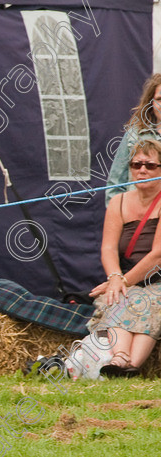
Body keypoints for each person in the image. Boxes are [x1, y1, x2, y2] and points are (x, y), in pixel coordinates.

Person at [87, 139, 161, 377]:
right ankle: (120, 361)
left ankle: (131, 365)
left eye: (150, 165)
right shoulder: (118, 202)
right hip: (126, 277)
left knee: (147, 301)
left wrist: (123, 281)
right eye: (136, 164)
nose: (142, 170)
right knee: (117, 298)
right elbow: (108, 248)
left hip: (156, 278)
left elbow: (158, 255)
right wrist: (115, 278)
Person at [106, 73, 161, 205]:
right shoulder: (134, 134)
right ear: (150, 103)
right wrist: (122, 219)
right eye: (160, 99)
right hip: (139, 219)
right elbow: (114, 185)